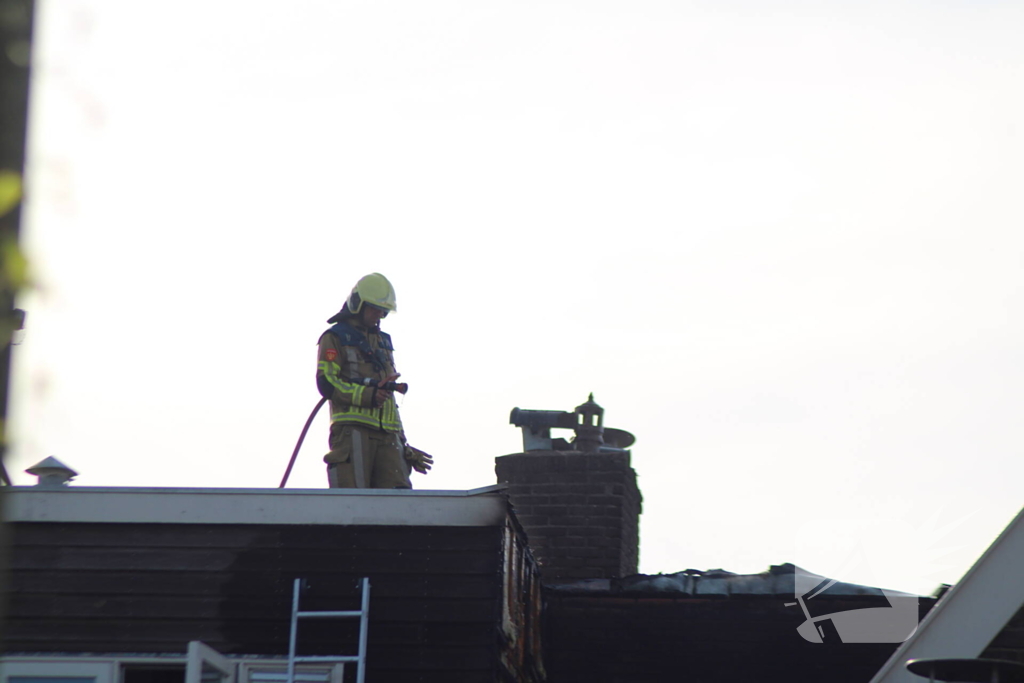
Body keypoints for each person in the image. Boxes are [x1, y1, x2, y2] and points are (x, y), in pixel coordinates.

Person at [316, 273, 433, 488]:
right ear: (357, 304)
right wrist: (368, 395)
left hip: (388, 437)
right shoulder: (334, 338)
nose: (378, 315)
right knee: (354, 506)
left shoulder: (383, 342)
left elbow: (388, 398)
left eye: (383, 312)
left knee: (398, 507)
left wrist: (402, 442)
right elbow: (327, 383)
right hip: (353, 434)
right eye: (374, 309)